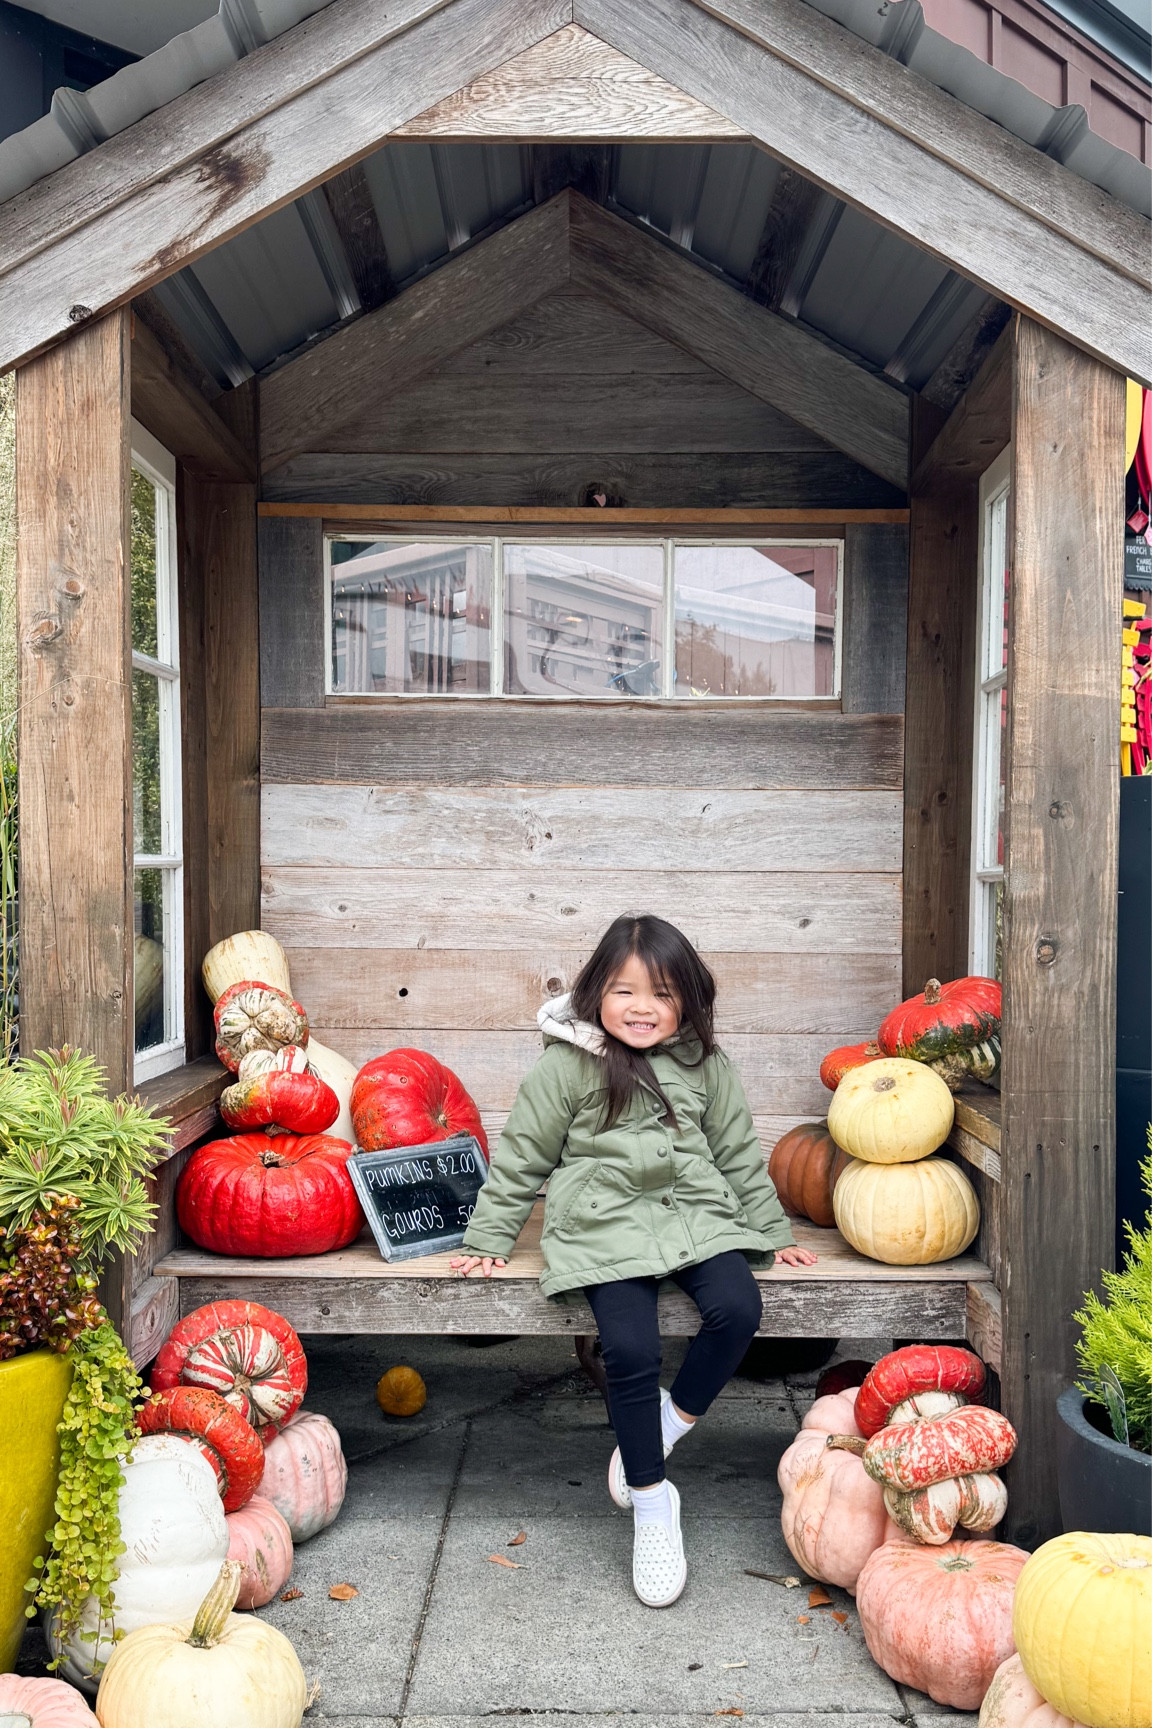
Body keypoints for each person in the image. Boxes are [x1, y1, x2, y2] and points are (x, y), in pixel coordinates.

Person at [450, 913, 817, 1608]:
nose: (642, 1008)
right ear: (595, 993)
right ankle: (651, 1503)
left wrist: (771, 1229)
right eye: (624, 991)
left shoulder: (706, 1064)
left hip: (695, 1212)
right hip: (603, 1220)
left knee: (739, 1308)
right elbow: (525, 1152)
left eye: (663, 993)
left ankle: (665, 1426)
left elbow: (737, 1151)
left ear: (688, 1001)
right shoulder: (567, 1065)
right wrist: (488, 1238)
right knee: (628, 1345)